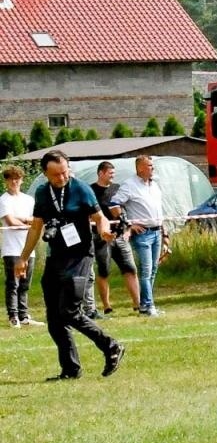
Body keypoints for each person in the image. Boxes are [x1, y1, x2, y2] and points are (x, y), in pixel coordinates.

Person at [17, 150, 125, 379]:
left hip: (80, 257)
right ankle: (70, 369)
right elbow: (36, 227)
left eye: (65, 172)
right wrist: (23, 257)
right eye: (56, 175)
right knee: (54, 318)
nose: (62, 178)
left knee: (70, 311)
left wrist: (105, 231)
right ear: (45, 173)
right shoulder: (42, 193)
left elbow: (99, 217)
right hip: (55, 257)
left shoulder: (81, 188)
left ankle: (111, 346)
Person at [110, 155, 169, 316]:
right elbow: (114, 204)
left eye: (152, 165)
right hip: (143, 234)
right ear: (140, 168)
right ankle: (149, 306)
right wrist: (129, 224)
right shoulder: (129, 185)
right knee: (146, 270)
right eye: (149, 165)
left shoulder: (154, 185)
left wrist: (165, 233)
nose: (152, 168)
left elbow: (159, 210)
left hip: (156, 231)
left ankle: (145, 304)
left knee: (153, 270)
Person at [89, 161, 140, 316]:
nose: (113, 176)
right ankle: (107, 306)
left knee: (130, 269)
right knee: (104, 271)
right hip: (101, 238)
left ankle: (138, 304)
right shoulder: (91, 191)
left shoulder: (117, 189)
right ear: (101, 173)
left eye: (113, 173)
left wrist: (128, 229)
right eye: (110, 173)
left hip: (120, 236)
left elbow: (126, 210)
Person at [2, 164, 36, 327]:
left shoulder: (29, 200)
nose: (14, 182)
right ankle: (13, 315)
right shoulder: (3, 200)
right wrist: (25, 221)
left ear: (22, 180)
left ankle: (24, 315)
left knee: (25, 283)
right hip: (12, 248)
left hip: (29, 246)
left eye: (17, 178)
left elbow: (35, 221)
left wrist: (23, 220)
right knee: (13, 283)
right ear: (6, 182)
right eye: (11, 179)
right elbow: (10, 221)